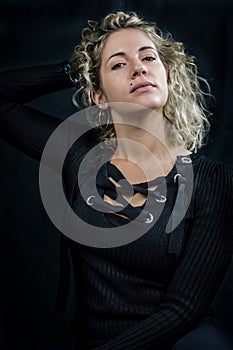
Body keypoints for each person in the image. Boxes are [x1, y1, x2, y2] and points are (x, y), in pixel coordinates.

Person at [0, 10, 233, 350]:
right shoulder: (78, 155)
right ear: (100, 97)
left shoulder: (213, 180)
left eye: (149, 57)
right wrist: (75, 70)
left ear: (167, 75)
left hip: (178, 341)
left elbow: (184, 310)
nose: (139, 68)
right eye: (118, 64)